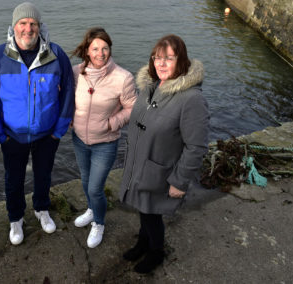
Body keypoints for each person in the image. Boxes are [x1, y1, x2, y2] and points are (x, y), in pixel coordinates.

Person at [0, 2, 74, 245]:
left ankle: (41, 209)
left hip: (47, 134)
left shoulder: (56, 54)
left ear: (39, 27)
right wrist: (0, 134)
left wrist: (59, 131)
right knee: (14, 179)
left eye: (33, 23)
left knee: (43, 175)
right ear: (14, 27)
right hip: (12, 135)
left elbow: (68, 93)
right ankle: (15, 218)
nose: (28, 28)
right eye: (22, 23)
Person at [118, 34, 209, 274]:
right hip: (140, 165)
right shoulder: (151, 87)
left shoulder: (191, 99)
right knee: (143, 209)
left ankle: (156, 252)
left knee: (152, 214)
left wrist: (180, 182)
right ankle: (142, 243)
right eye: (158, 58)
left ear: (182, 61)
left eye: (169, 58)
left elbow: (196, 147)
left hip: (160, 171)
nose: (162, 64)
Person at [71, 27, 137, 248]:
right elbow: (67, 99)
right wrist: (69, 119)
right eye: (95, 48)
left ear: (110, 49)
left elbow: (132, 108)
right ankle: (91, 210)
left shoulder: (123, 77)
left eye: (105, 48)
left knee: (95, 188)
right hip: (79, 139)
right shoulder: (75, 72)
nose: (101, 53)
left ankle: (99, 223)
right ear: (87, 51)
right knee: (85, 179)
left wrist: (111, 123)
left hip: (105, 143)